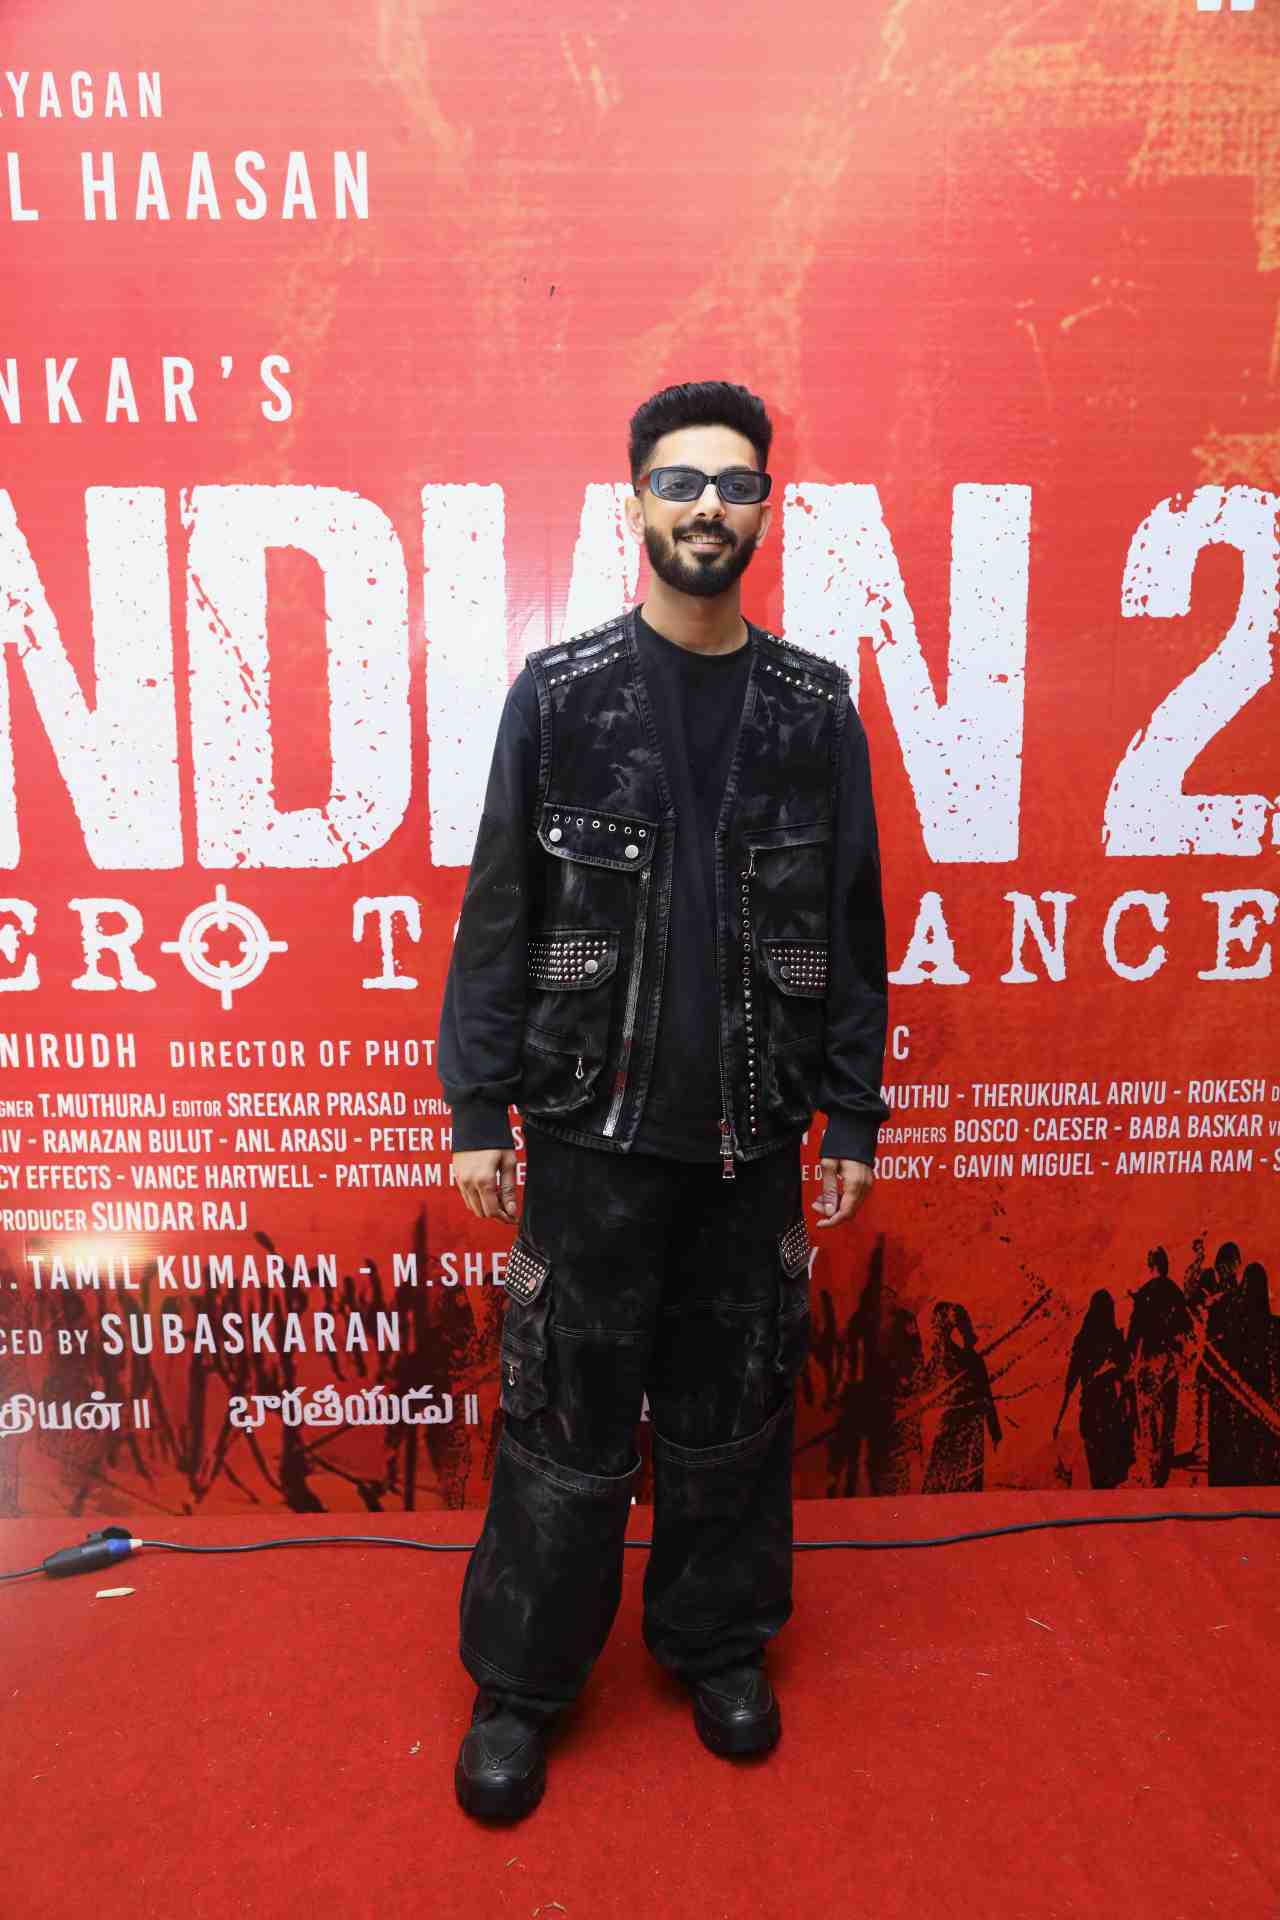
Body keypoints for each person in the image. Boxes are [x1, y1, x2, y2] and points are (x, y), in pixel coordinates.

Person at [437, 379, 891, 1821]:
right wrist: (475, 1109)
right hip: (591, 1136)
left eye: (736, 484)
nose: (709, 507)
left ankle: (716, 1643)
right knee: (561, 1424)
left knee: (734, 1414)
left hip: (755, 1135)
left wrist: (854, 1114)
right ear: (635, 501)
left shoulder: (816, 709)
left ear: (765, 511)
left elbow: (856, 923)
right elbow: (499, 913)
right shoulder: (561, 698)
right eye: (682, 482)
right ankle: (524, 1684)